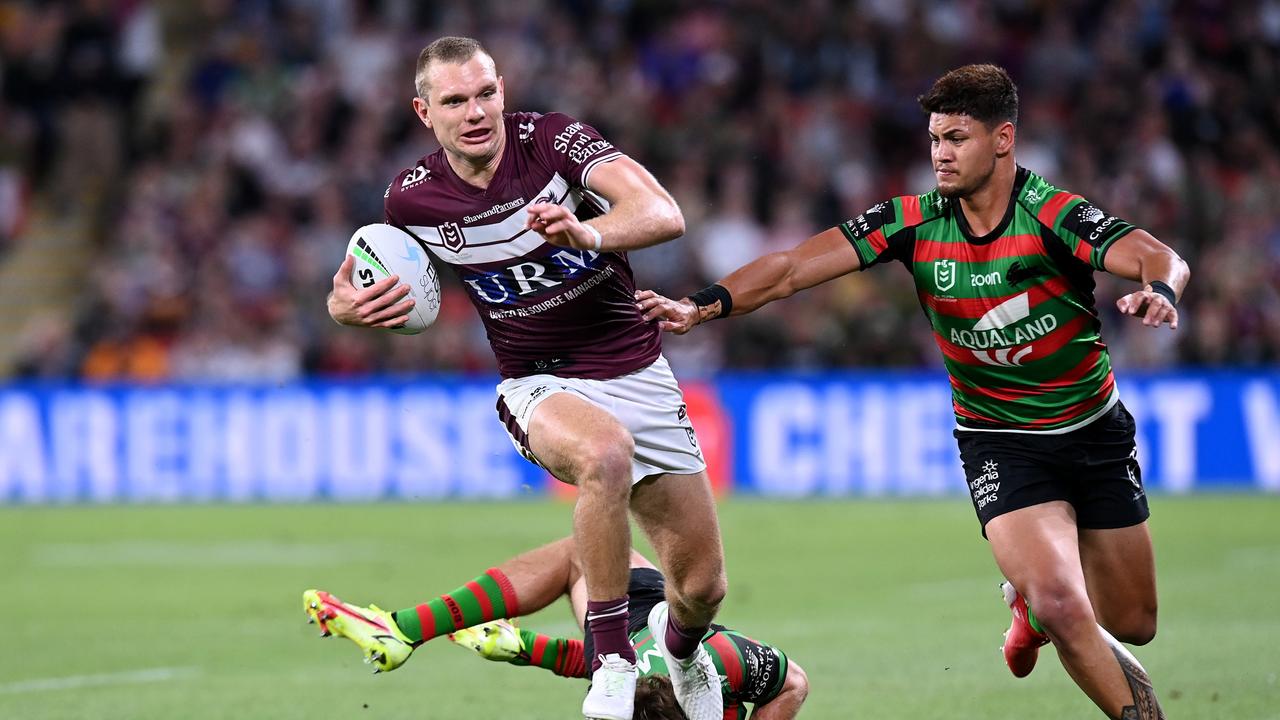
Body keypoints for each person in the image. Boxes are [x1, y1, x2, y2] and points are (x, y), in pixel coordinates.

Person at [637, 64, 1187, 720]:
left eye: (956, 138)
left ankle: (1030, 606)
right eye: (934, 139)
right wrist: (702, 307)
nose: (940, 155)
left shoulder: (1052, 215)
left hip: (1093, 432)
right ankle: (1053, 612)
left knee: (1134, 622)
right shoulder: (914, 223)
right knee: (1067, 604)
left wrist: (1161, 290)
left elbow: (1157, 254)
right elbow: (789, 270)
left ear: (1003, 140)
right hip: (1001, 444)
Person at [321, 36, 725, 720]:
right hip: (539, 383)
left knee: (702, 589)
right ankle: (612, 662)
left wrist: (587, 233)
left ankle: (680, 652)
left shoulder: (555, 143)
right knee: (603, 455)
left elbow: (664, 213)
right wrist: (342, 306)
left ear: (502, 91)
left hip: (637, 370)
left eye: (485, 94)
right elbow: (364, 283)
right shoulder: (412, 202)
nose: (475, 111)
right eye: (455, 100)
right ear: (425, 112)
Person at [305, 536, 808, 720]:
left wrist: (531, 648)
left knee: (580, 554)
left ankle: (404, 629)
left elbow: (598, 665)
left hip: (633, 628)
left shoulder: (723, 661)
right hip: (648, 635)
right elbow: (793, 685)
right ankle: (509, 642)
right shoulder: (723, 663)